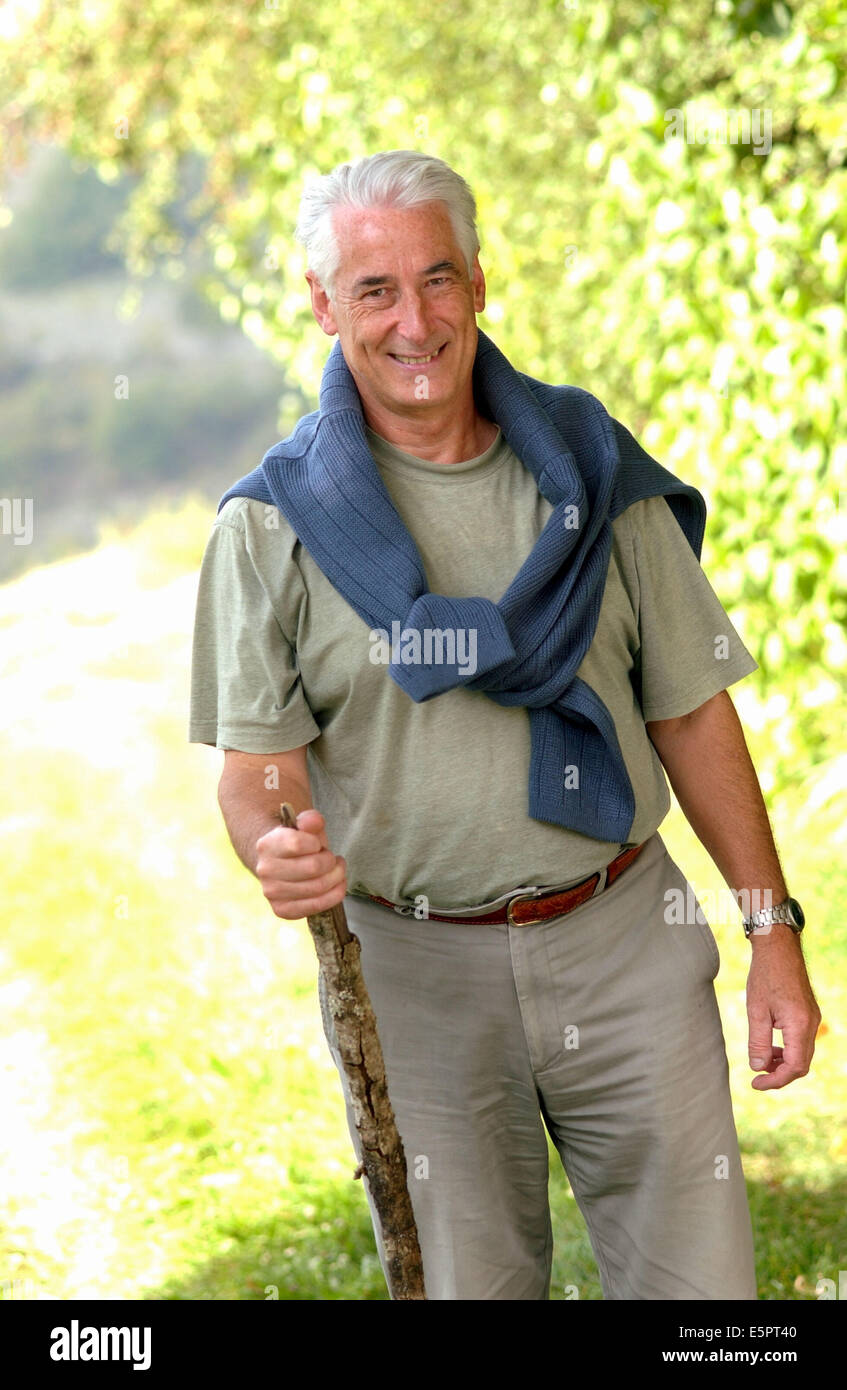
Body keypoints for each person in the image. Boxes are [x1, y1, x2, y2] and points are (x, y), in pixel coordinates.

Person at [189, 150, 821, 1301]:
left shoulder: (592, 468)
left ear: (480, 281)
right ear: (323, 305)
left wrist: (769, 932)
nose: (414, 319)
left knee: (709, 1306)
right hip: (413, 975)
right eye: (373, 290)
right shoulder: (268, 525)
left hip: (623, 939)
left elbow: (690, 712)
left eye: (437, 278)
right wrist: (272, 843)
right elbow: (259, 771)